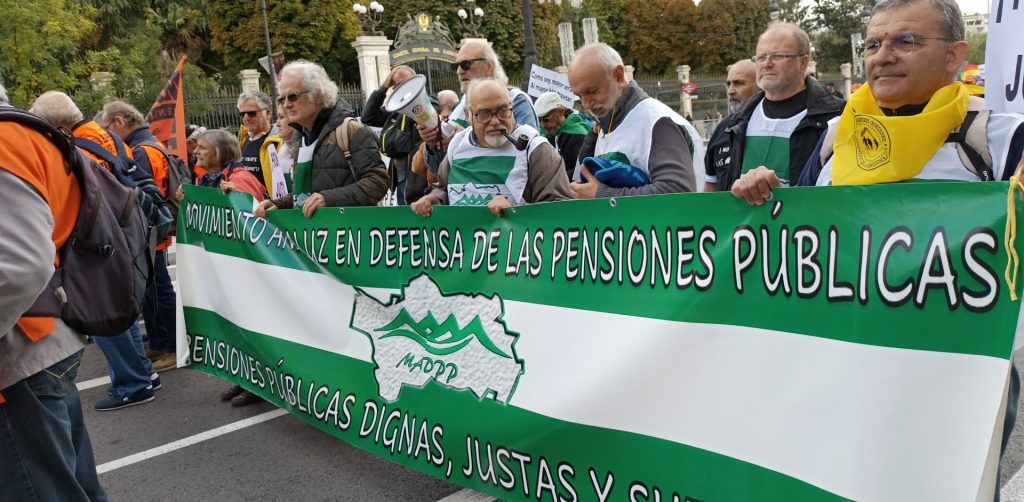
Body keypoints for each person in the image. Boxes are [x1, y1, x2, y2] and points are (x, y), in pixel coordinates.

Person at [731, 0, 1024, 198]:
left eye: (905, 42)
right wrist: (769, 199)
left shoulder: (1002, 138)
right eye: (873, 44)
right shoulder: (837, 134)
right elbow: (805, 237)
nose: (882, 57)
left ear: (953, 56)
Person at [0, 98, 108, 500]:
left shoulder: (5, 140)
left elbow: (20, 267)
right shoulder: (26, 133)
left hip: (20, 350)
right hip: (44, 334)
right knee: (73, 485)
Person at [29, 92, 159, 411]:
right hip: (122, 230)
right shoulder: (107, 136)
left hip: (95, 240)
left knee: (100, 311)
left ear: (57, 125)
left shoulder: (73, 147)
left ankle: (133, 382)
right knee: (119, 304)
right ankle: (142, 374)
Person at [705, 23, 845, 193]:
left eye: (777, 56)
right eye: (761, 57)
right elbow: (710, 191)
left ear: (803, 62)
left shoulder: (840, 121)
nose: (767, 63)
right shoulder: (729, 127)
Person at [410, 79, 572, 218]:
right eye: (484, 114)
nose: (495, 121)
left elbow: (560, 211)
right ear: (468, 115)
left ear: (511, 108)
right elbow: (444, 187)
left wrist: (516, 211)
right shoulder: (457, 144)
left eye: (503, 111)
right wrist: (433, 199)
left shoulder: (537, 150)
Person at [100, 100, 180, 373]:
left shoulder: (139, 150)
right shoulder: (150, 143)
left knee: (158, 288)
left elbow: (143, 192)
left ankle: (172, 345)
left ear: (120, 122)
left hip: (149, 228)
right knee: (154, 287)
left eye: (107, 127)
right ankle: (160, 340)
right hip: (155, 227)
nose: (105, 133)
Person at [255, 60, 388, 219]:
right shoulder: (301, 137)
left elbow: (378, 182)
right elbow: (308, 195)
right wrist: (280, 203)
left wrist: (329, 199)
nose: (286, 105)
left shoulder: (350, 130)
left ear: (317, 96)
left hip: (349, 238)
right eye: (282, 99)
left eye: (292, 97)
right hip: (314, 239)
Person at [567, 43, 704, 198]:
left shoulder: (658, 122)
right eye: (579, 96)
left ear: (618, 76)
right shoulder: (606, 123)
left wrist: (601, 195)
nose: (586, 104)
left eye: (591, 91)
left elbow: (676, 193)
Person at [418, 40, 539, 174]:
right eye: (455, 66)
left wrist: (466, 138)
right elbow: (439, 171)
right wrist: (433, 145)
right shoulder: (460, 106)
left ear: (489, 67)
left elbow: (530, 155)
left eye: (465, 64)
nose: (459, 71)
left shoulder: (516, 100)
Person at [360, 65, 429, 205]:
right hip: (401, 179)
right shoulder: (396, 109)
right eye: (397, 85)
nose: (402, 88)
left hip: (417, 181)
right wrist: (384, 87)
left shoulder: (426, 104)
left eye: (407, 83)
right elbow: (368, 117)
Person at [534, 91, 589, 180]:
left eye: (546, 119)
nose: (543, 125)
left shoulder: (579, 136)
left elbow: (582, 170)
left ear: (561, 112)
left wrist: (553, 179)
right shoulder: (544, 137)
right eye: (539, 120)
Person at [236, 91, 283, 193]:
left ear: (268, 113)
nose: (246, 118)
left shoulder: (280, 141)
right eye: (242, 114)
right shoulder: (242, 139)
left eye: (252, 113)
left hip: (269, 206)